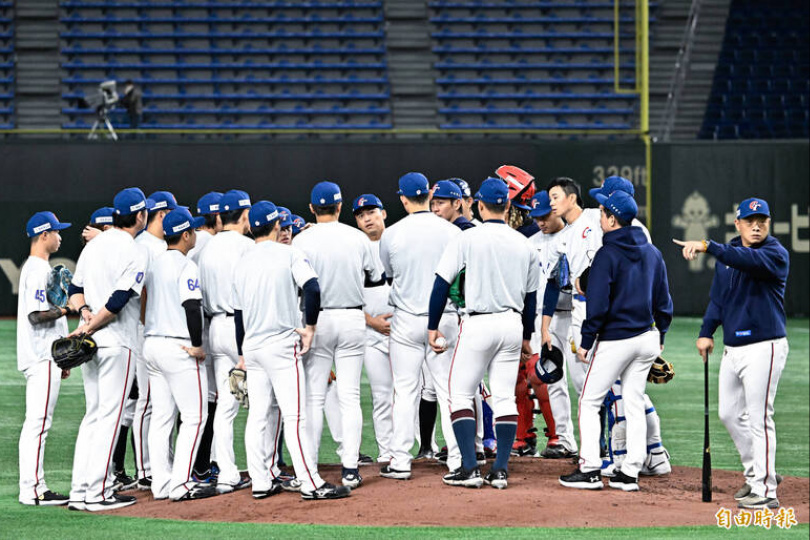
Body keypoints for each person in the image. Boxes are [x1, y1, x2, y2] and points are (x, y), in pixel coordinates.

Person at [674, 197, 789, 510]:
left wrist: (707, 245)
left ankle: (766, 492)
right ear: (737, 224)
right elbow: (719, 299)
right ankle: (758, 475)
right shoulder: (728, 255)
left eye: (762, 221)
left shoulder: (774, 254)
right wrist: (705, 332)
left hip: (765, 346)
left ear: (769, 224)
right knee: (728, 413)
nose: (756, 226)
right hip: (733, 348)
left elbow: (746, 261)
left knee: (759, 418)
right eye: (750, 221)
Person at [233, 200, 350, 500]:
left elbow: (239, 314)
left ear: (251, 227)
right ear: (276, 226)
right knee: (295, 417)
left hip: (253, 346)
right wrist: (310, 327)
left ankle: (260, 482)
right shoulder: (289, 253)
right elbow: (312, 288)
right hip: (281, 345)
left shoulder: (242, 261)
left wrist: (242, 353)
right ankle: (311, 483)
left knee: (258, 416)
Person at [428, 178, 539, 489]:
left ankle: (468, 468)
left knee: (460, 393)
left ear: (477, 204)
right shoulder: (525, 244)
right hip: (512, 324)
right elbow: (531, 297)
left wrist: (432, 327)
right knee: (504, 396)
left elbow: (441, 285)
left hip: (477, 323)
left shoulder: (467, 238)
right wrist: (527, 335)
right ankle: (500, 469)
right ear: (506, 205)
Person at [559, 190, 672, 492]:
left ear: (612, 218)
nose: (598, 217)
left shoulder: (607, 254)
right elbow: (664, 300)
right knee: (633, 402)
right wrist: (661, 333)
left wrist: (586, 339)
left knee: (589, 400)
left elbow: (598, 303)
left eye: (602, 213)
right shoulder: (652, 252)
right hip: (647, 338)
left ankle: (590, 469)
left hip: (617, 340)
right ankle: (630, 473)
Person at [292, 182, 384, 489]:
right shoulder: (357, 238)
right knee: (350, 397)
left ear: (311, 209)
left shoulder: (301, 240)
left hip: (315, 319)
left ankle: (310, 466)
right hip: (352, 317)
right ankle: (350, 468)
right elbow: (374, 276)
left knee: (314, 398)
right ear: (341, 206)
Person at [67, 187, 149, 511]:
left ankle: (79, 490)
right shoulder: (133, 249)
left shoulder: (95, 244)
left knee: (93, 414)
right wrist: (92, 322)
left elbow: (74, 290)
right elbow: (118, 301)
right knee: (110, 417)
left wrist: (84, 313)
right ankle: (99, 493)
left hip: (92, 345)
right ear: (140, 215)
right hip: (116, 341)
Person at [378, 172, 462, 480]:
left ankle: (400, 461)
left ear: (402, 198)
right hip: (443, 319)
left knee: (405, 391)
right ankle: (456, 458)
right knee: (448, 390)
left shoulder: (392, 233)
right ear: (429, 193)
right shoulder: (451, 232)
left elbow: (389, 271)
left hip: (405, 320)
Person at [142, 207, 217, 501]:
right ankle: (181, 484)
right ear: (186, 235)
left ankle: (161, 483)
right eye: (193, 231)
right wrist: (198, 345)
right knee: (195, 416)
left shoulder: (155, 262)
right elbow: (191, 307)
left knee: (161, 417)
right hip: (178, 347)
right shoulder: (187, 266)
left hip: (152, 345)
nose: (196, 235)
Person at [198, 189, 255, 494]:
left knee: (225, 405)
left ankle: (227, 472)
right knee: (261, 403)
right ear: (245, 215)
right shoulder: (247, 247)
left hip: (215, 329)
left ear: (220, 216)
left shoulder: (207, 248)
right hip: (241, 328)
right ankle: (264, 470)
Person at [17, 212, 72, 506]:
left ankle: (33, 486)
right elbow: (36, 316)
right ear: (43, 235)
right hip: (41, 357)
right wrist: (64, 311)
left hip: (45, 357)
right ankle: (34, 490)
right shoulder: (37, 269)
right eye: (56, 231)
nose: (60, 236)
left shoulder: (36, 268)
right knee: (38, 424)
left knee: (37, 423)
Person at [132, 190, 178, 491]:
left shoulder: (160, 245)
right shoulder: (144, 246)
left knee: (164, 403)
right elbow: (141, 291)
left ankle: (161, 463)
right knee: (147, 402)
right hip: (144, 328)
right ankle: (144, 469)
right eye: (172, 212)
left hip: (157, 328)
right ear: (161, 214)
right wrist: (150, 324)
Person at [526, 191, 578, 459]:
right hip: (545, 319)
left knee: (583, 380)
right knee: (552, 378)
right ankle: (564, 439)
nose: (540, 222)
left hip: (576, 314)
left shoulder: (575, 235)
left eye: (544, 215)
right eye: (535, 217)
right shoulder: (530, 242)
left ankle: (603, 441)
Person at [353, 194, 395, 464]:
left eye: (371, 211)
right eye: (360, 214)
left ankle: (421, 447)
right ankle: (387, 452)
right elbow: (345, 295)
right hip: (370, 332)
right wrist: (372, 321)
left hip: (403, 329)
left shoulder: (400, 241)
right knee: (381, 394)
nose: (367, 218)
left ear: (384, 213)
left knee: (413, 392)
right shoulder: (353, 247)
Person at [187, 191, 223, 483]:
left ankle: (195, 463)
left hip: (191, 325)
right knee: (213, 399)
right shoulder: (216, 244)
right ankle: (203, 463)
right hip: (212, 326)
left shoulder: (192, 244)